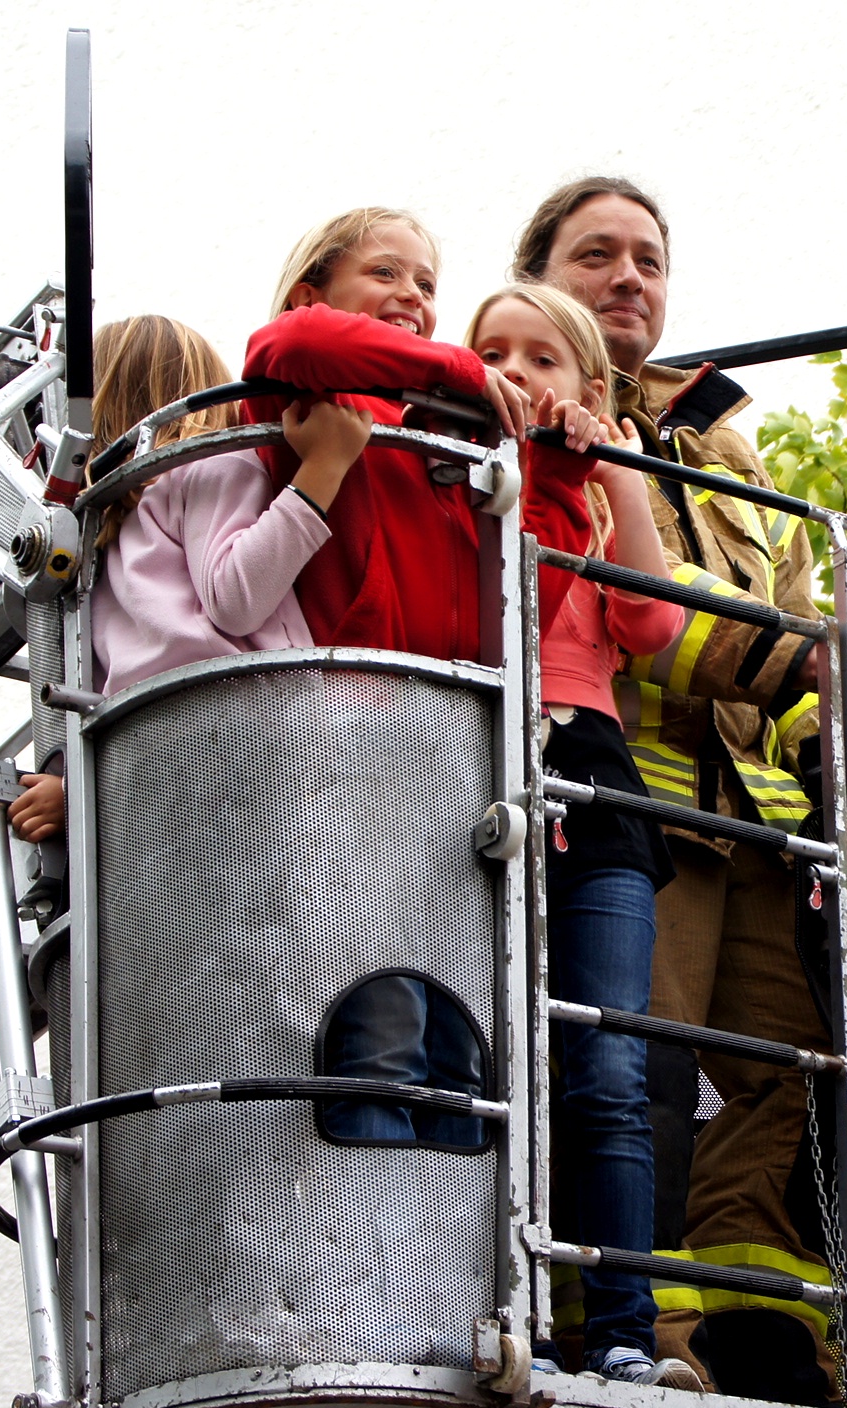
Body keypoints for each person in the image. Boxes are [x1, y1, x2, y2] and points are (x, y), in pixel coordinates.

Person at [514, 179, 847, 1406]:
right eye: (597, 254)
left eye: (649, 257)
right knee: (627, 1066)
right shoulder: (538, 414)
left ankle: (764, 1328)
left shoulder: (729, 452)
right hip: (633, 810)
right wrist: (794, 656)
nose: (628, 276)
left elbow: (790, 618)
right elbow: (642, 614)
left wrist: (838, 720)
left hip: (761, 827)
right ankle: (639, 1335)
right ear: (538, 276)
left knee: (796, 1071)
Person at [245, 208, 607, 1154]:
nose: (412, 296)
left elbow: (510, 623)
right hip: (349, 741)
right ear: (315, 288)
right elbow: (288, 342)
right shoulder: (328, 407)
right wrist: (458, 372)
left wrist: (557, 478)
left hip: (457, 761)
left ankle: (444, 1233)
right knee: (375, 1016)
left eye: (427, 285)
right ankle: (359, 1217)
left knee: (461, 1049)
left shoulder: (440, 451)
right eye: (386, 274)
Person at [465, 282, 700, 1390]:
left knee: (606, 1065)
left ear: (590, 386)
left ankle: (623, 1332)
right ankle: (489, 1310)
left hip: (595, 779)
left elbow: (652, 623)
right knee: (483, 1055)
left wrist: (614, 468)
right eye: (493, 353)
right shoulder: (454, 470)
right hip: (471, 771)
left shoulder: (603, 486)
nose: (516, 371)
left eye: (542, 358)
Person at [5, 313, 373, 843]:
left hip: (151, 752)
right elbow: (237, 599)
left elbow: (100, 681)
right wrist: (324, 469)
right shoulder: (211, 464)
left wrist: (76, 790)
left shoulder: (103, 540)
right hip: (249, 725)